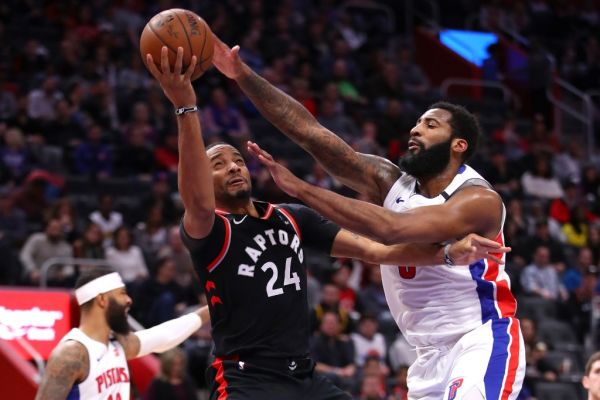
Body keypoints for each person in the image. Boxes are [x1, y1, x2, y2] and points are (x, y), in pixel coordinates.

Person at [145, 46, 511, 400]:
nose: (415, 130)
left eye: (429, 125)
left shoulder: (477, 199)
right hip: (424, 354)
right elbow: (309, 132)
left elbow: (390, 232)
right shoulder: (389, 181)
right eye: (416, 122)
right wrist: (242, 75)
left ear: (458, 144)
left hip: (476, 338)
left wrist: (302, 188)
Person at [35, 268, 209, 400]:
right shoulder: (72, 353)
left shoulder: (118, 344)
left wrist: (212, 309)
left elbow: (165, 335)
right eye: (122, 294)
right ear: (102, 299)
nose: (129, 300)